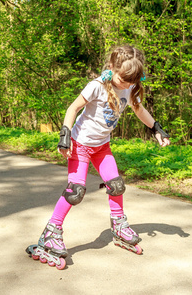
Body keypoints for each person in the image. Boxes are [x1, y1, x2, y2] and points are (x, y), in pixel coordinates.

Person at [26, 45, 170, 269]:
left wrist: (156, 129)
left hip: (102, 147)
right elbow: (72, 108)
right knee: (76, 192)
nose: (126, 85)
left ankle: (119, 227)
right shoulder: (96, 86)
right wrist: (64, 135)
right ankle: (50, 234)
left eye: (131, 82)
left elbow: (139, 110)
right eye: (123, 79)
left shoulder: (129, 88)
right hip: (80, 145)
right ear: (111, 67)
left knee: (116, 185)